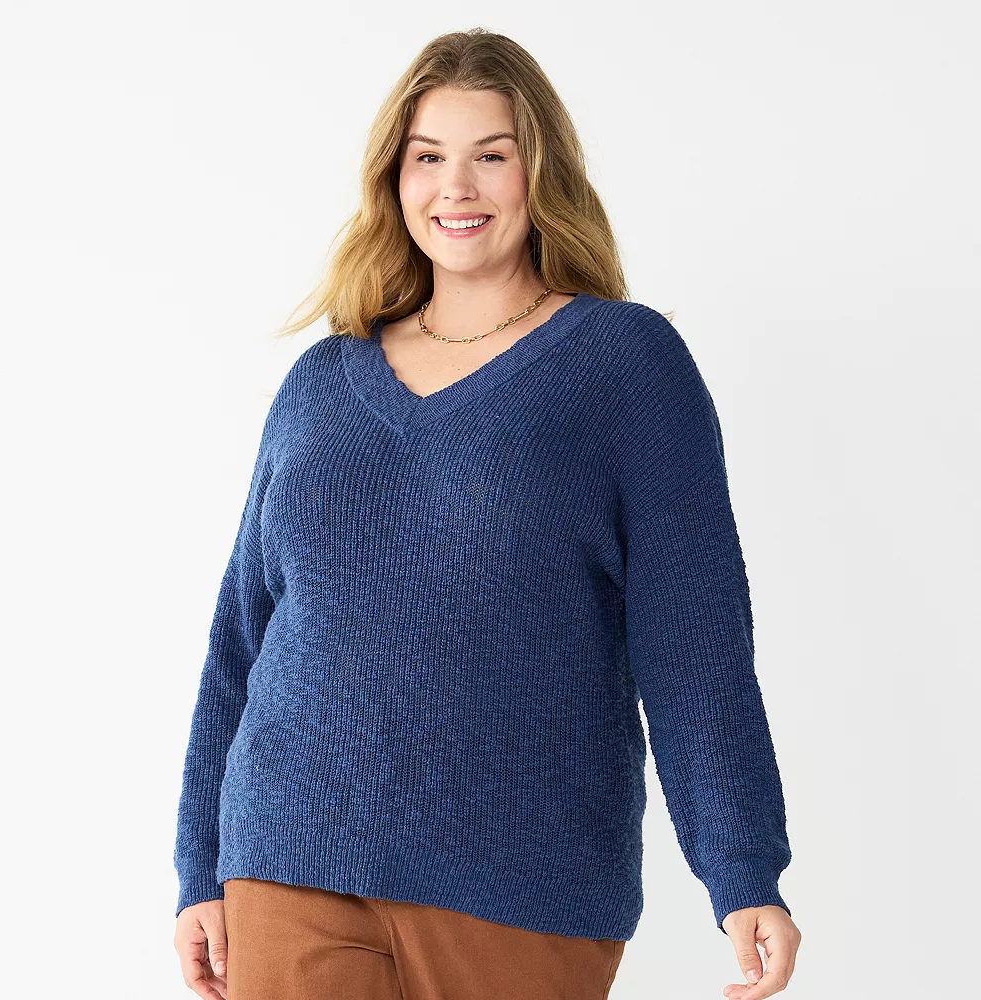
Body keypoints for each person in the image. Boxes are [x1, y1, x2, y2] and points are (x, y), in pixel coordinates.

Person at [172, 27, 802, 1000]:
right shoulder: (322, 381)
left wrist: (741, 868)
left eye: (490, 156)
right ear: (393, 179)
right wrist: (199, 869)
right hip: (289, 857)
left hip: (519, 879)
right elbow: (240, 641)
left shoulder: (624, 363)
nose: (455, 187)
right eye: (427, 157)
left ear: (539, 172)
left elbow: (693, 636)